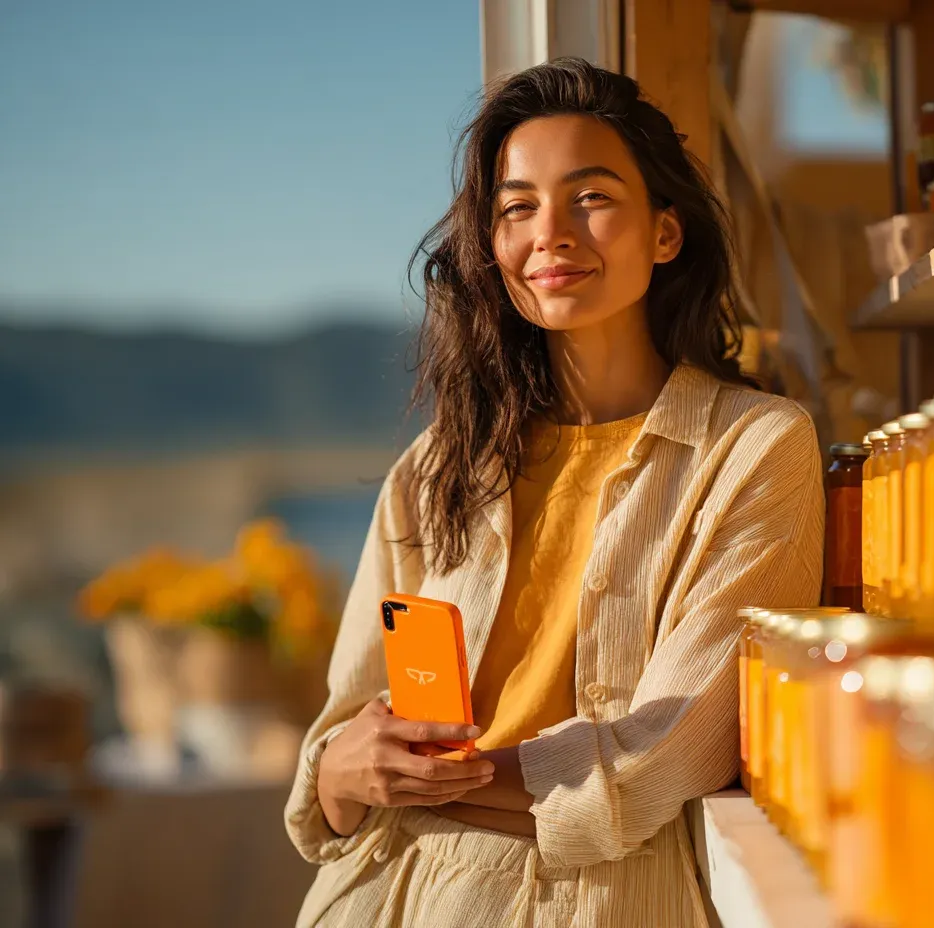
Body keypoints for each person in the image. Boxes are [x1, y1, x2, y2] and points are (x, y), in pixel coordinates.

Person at [285, 57, 823, 928]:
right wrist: (346, 771)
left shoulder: (754, 449)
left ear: (665, 231)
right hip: (379, 896)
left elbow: (669, 753)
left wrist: (439, 779)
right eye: (517, 206)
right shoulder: (438, 466)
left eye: (593, 196)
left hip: (593, 901)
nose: (551, 235)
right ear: (492, 248)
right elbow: (340, 751)